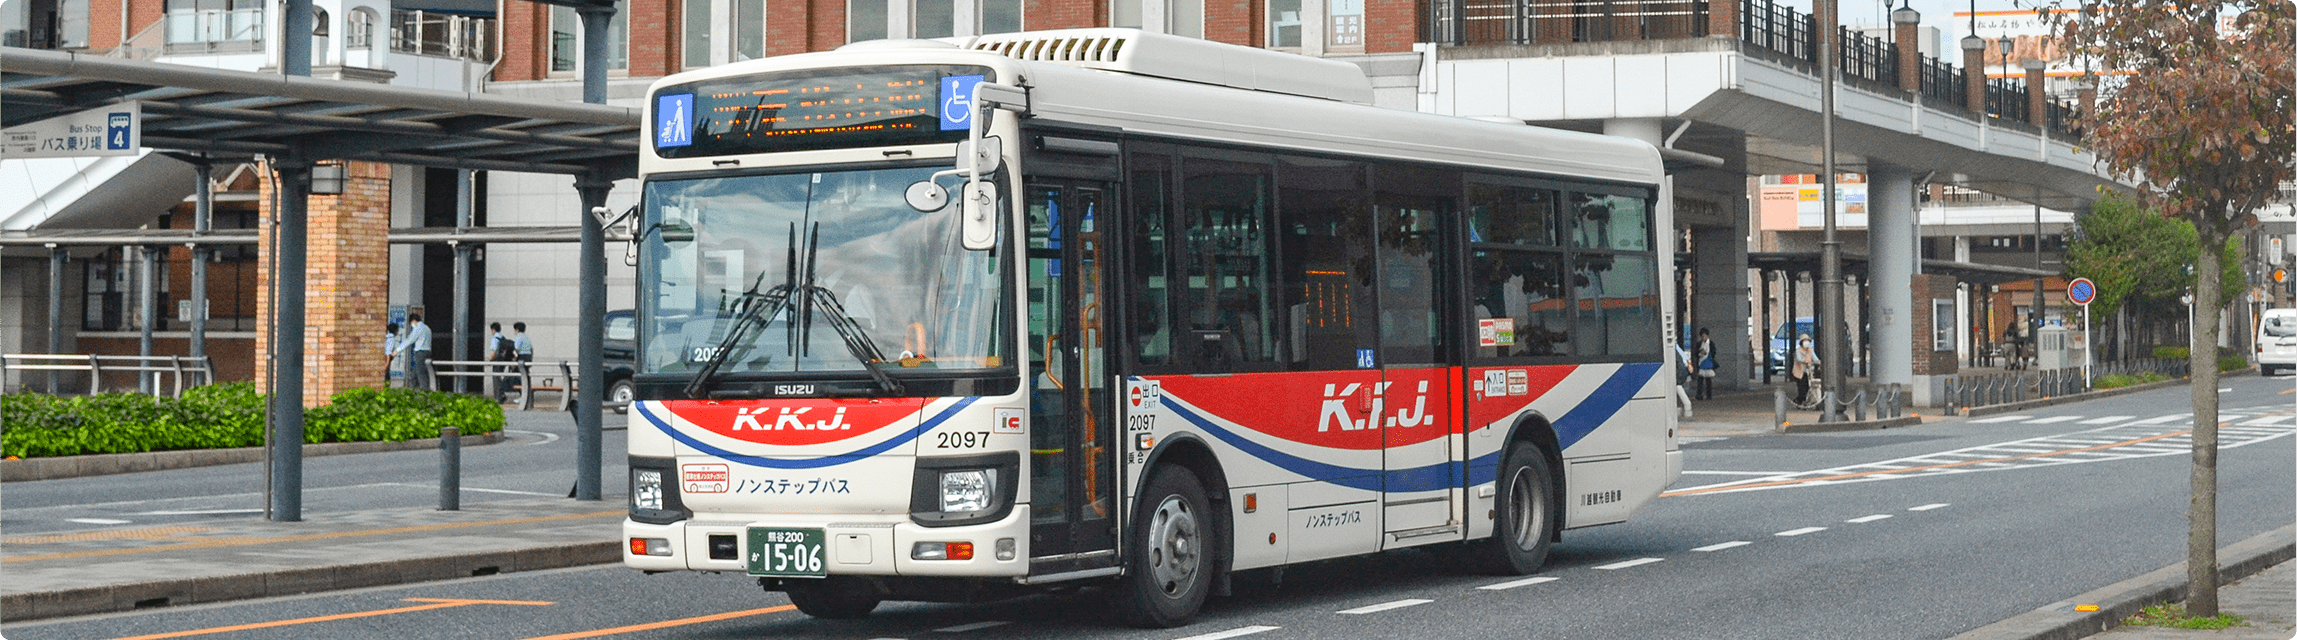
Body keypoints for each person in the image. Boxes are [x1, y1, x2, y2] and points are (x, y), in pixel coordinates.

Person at [393, 313, 433, 390]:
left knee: (421, 373)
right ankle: (413, 390)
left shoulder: (418, 328)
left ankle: (425, 390)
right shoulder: (427, 328)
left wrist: (397, 350)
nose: (412, 325)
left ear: (414, 321)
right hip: (427, 352)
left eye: (411, 323)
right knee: (415, 374)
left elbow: (410, 340)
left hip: (420, 352)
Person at [488, 322, 517, 401]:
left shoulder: (495, 338)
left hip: (497, 361)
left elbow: (494, 351)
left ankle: (499, 396)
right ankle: (501, 394)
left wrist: (490, 359)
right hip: (504, 360)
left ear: (493, 329)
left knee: (496, 378)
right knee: (500, 377)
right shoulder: (502, 337)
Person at [1791, 333, 1819, 405]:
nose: (1807, 342)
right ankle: (1798, 401)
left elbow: (1815, 359)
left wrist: (1819, 362)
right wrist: (1806, 361)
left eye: (1808, 341)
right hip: (1799, 373)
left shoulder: (1810, 350)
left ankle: (1803, 401)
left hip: (1808, 372)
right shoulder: (1798, 350)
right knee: (1802, 388)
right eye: (1804, 341)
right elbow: (1799, 359)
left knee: (1807, 388)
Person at [1693, 327, 1717, 400]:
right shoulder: (1699, 344)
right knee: (1700, 380)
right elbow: (1695, 353)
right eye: (1702, 336)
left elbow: (1714, 352)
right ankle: (1699, 395)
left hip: (1708, 362)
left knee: (1708, 381)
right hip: (1701, 363)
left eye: (1705, 336)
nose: (1703, 338)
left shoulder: (1711, 343)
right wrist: (1700, 352)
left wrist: (1706, 353)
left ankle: (1709, 395)